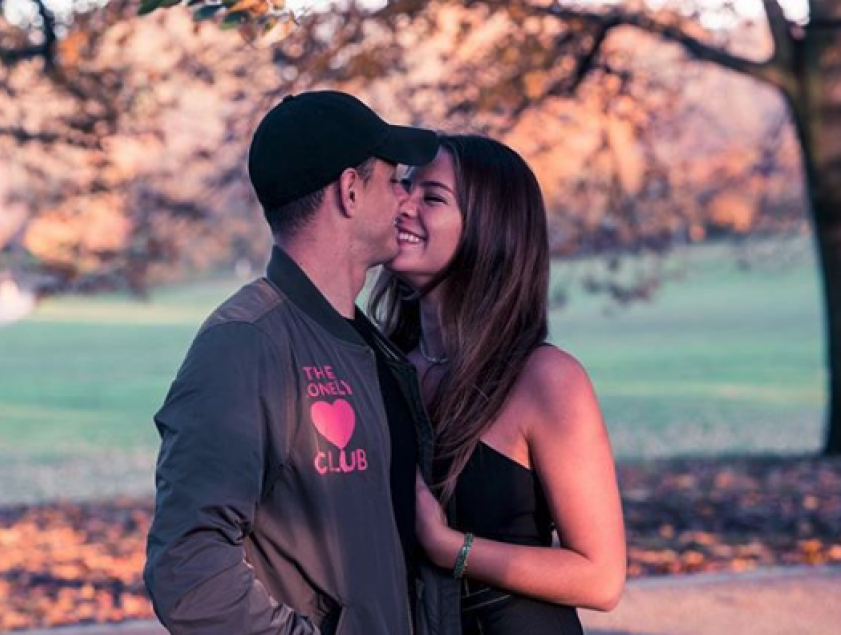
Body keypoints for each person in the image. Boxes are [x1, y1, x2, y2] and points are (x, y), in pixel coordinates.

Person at [143, 91, 461, 635]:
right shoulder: (245, 344)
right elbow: (187, 570)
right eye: (394, 181)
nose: (405, 199)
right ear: (351, 190)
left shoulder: (367, 345)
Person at [370, 134, 626, 635]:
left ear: (490, 228)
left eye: (433, 197)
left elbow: (601, 578)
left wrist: (449, 548)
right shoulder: (383, 364)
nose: (404, 204)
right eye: (406, 186)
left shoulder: (546, 380)